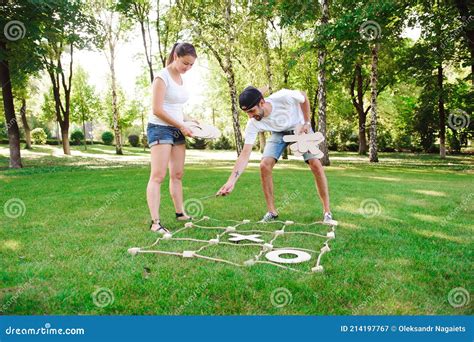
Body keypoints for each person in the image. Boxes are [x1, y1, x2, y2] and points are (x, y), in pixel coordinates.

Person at [216, 86, 333, 223]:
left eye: (252, 111)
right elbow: (245, 154)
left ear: (262, 102)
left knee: (315, 164)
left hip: (300, 128)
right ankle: (272, 212)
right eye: (247, 113)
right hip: (279, 133)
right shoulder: (253, 123)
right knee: (264, 165)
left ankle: (327, 212)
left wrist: (307, 122)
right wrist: (231, 181)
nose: (250, 116)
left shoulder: (283, 97)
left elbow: (303, 96)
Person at [146, 42, 197, 234]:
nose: (188, 68)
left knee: (177, 174)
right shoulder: (162, 77)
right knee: (158, 175)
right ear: (176, 56)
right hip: (160, 128)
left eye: (191, 65)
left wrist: (190, 120)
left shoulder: (181, 79)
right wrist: (181, 125)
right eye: (185, 63)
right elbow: (158, 110)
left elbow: (176, 108)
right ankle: (155, 222)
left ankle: (180, 213)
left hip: (176, 129)